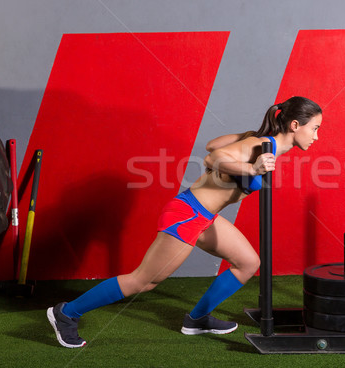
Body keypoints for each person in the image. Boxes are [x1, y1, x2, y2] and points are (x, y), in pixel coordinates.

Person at [47, 96, 322, 348]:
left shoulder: (259, 142)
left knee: (247, 263)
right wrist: (252, 168)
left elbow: (214, 143)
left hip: (205, 217)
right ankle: (66, 314)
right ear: (295, 125)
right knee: (144, 281)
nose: (317, 136)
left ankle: (197, 319)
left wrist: (251, 137)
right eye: (315, 128)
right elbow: (212, 156)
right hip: (187, 214)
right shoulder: (257, 148)